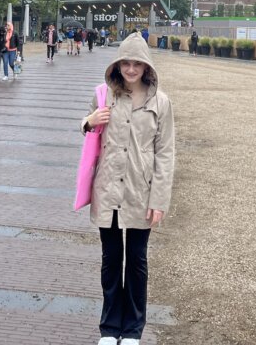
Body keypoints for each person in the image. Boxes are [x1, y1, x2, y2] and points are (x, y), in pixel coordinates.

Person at [82, 33, 175, 345]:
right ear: (117, 64)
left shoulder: (160, 102)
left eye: (137, 63)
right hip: (107, 188)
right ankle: (109, 328)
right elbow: (88, 133)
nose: (131, 69)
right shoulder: (103, 95)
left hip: (140, 190)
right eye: (126, 62)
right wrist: (89, 120)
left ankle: (132, 329)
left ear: (146, 67)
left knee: (136, 261)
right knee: (111, 259)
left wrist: (159, 199)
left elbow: (165, 153)